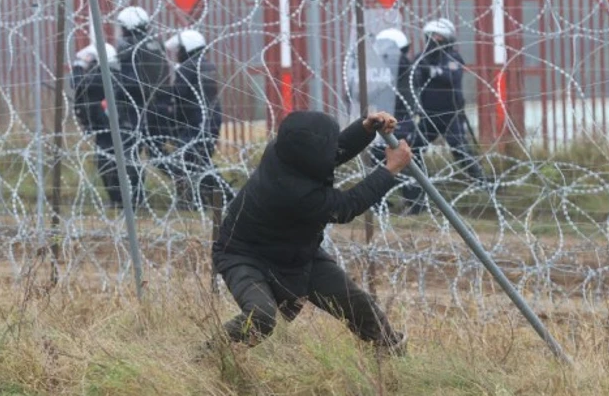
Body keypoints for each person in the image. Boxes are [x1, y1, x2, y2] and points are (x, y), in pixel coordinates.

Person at [208, 110, 411, 355]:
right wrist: (390, 170)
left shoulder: (282, 152)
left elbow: (329, 153)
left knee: (357, 304)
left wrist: (365, 128)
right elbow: (346, 207)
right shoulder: (297, 194)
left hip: (296, 253)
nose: (333, 148)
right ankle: (208, 356)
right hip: (243, 255)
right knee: (260, 316)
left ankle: (392, 354)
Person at [410, 18, 486, 210]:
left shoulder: (453, 57)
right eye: (431, 37)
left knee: (460, 150)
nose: (434, 41)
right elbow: (413, 78)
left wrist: (430, 70)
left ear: (447, 39)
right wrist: (426, 69)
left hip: (451, 115)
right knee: (413, 150)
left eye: (438, 37)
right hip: (428, 115)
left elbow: (451, 76)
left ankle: (484, 187)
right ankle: (417, 192)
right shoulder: (421, 58)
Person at [164, 29, 235, 209]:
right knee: (198, 161)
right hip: (210, 119)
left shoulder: (187, 68)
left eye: (179, 49)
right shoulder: (207, 65)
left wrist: (167, 112)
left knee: (190, 161)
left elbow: (178, 96)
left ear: (187, 48)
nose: (177, 54)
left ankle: (218, 197)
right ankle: (213, 198)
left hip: (196, 122)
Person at [114, 6, 171, 207]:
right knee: (157, 153)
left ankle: (134, 198)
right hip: (159, 106)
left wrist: (114, 90)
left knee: (130, 154)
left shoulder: (128, 46)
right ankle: (191, 184)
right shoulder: (155, 43)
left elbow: (128, 81)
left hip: (134, 108)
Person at [366, 27, 424, 214]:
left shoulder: (399, 65)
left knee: (395, 161)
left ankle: (411, 202)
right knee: (391, 160)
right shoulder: (397, 65)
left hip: (397, 120)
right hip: (393, 119)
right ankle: (385, 201)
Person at [70, 42, 130, 209]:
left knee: (107, 162)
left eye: (91, 62)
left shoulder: (101, 76)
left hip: (108, 128)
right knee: (111, 162)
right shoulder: (111, 74)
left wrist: (78, 65)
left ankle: (119, 199)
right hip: (108, 126)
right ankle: (121, 199)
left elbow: (76, 82)